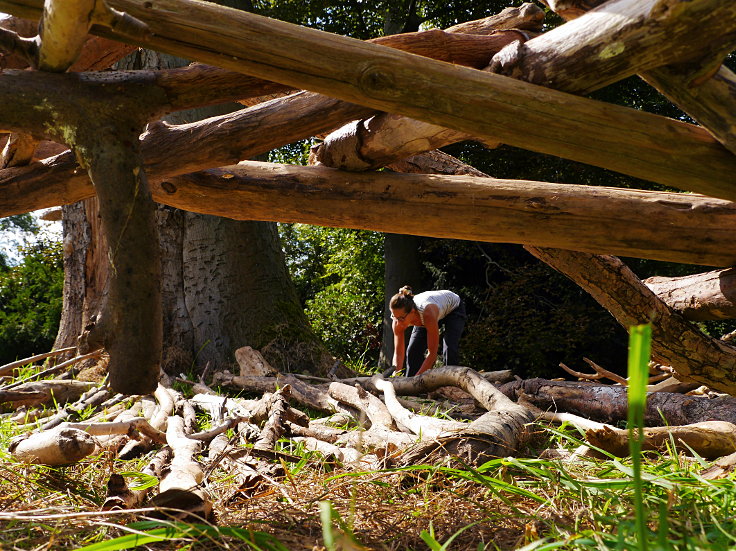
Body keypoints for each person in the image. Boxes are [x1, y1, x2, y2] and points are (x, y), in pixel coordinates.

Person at [389, 286, 466, 377]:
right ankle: (410, 386)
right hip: (429, 313)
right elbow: (398, 354)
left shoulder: (427, 313)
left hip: (453, 309)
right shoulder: (397, 318)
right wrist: (395, 375)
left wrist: (417, 380)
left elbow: (432, 355)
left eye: (401, 318)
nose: (398, 322)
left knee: (449, 347)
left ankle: (451, 381)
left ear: (412, 312)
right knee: (413, 351)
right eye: (395, 317)